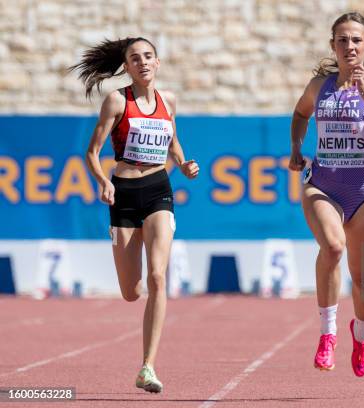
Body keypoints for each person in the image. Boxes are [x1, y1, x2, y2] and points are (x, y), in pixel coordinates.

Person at [71, 37, 199, 392]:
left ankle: (148, 366)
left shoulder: (168, 101)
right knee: (131, 291)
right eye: (134, 59)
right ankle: (137, 288)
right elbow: (92, 152)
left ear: (158, 62)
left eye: (147, 57)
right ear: (126, 67)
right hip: (123, 194)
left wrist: (183, 164)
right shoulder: (117, 101)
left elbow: (172, 143)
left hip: (159, 189)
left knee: (159, 277)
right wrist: (102, 182)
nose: (142, 63)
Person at [289, 12, 364, 377]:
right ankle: (328, 333)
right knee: (333, 247)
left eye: (356, 40)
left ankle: (362, 335)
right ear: (333, 46)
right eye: (342, 39)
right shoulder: (318, 86)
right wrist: (296, 146)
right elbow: (300, 113)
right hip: (322, 186)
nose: (349, 46)